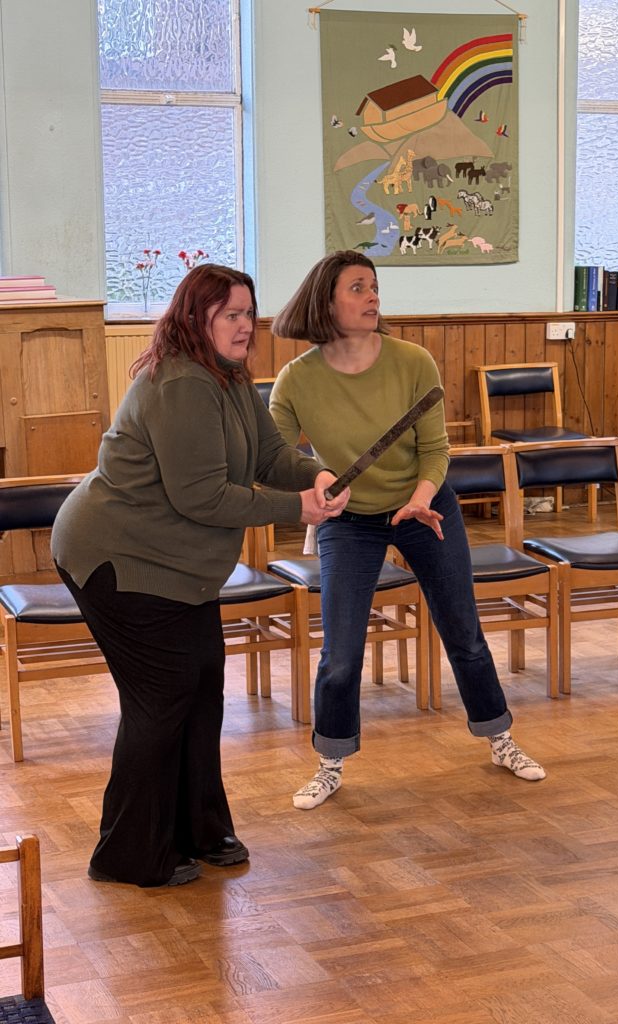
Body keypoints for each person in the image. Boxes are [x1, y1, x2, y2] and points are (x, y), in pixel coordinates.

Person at [51, 264, 349, 886]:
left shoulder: (227, 374)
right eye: (230, 315)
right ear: (195, 319)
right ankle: (128, 854)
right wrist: (295, 508)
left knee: (203, 688)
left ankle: (200, 829)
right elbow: (202, 497)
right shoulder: (183, 383)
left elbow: (268, 454)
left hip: (174, 565)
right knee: (161, 701)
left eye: (249, 313)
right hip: (119, 558)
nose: (245, 326)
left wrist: (315, 473)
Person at [269, 250, 546, 811]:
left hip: (425, 507)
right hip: (350, 522)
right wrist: (314, 480)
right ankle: (330, 762)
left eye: (374, 285)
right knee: (341, 652)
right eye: (357, 287)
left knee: (463, 633)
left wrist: (421, 499)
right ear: (326, 302)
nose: (372, 296)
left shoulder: (413, 361)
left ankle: (499, 737)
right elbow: (276, 456)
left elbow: (436, 450)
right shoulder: (296, 380)